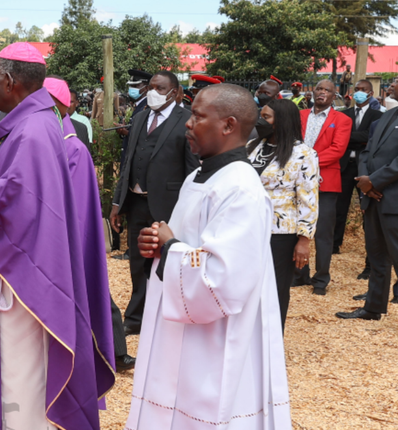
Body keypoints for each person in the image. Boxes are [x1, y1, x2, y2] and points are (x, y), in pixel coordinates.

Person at [0, 43, 115, 430]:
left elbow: (20, 215)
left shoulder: (31, 133)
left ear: (10, 80)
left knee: (20, 378)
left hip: (24, 285)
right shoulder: (36, 124)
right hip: (25, 275)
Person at [126, 83, 291, 430]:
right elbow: (185, 241)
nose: (188, 122)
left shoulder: (241, 189)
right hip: (180, 330)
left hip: (213, 340)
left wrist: (171, 248)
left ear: (228, 125)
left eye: (198, 116)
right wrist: (157, 245)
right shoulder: (198, 177)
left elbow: (221, 279)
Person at [44, 76, 133, 372]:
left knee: (92, 289)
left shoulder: (74, 142)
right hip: (49, 236)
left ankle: (114, 352)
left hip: (69, 232)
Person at [109, 70, 200, 337]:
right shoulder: (139, 118)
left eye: (159, 88)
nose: (152, 92)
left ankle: (168, 314)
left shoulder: (186, 121)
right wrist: (117, 202)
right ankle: (135, 317)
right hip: (137, 201)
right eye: (150, 87)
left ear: (173, 92)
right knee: (137, 261)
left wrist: (189, 208)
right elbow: (127, 163)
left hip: (169, 205)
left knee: (168, 261)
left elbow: (192, 169)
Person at [248, 99, 319, 330]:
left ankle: (271, 342)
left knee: (275, 288)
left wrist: (304, 239)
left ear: (282, 121)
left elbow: (308, 199)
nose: (261, 121)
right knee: (249, 286)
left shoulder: (303, 154)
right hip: (250, 227)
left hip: (281, 232)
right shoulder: (254, 146)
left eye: (266, 117)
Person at [335, 97, 398, 321]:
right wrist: (365, 183)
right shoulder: (388, 115)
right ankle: (373, 308)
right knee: (377, 257)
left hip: (393, 198)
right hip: (373, 196)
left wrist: (374, 181)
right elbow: (367, 151)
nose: (393, 85)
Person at [295, 79, 352, 295]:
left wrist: (308, 159)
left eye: (327, 90)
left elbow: (338, 150)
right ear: (313, 92)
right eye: (319, 88)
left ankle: (321, 279)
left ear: (333, 95)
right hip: (297, 181)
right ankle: (300, 275)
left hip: (325, 181)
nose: (322, 92)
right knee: (298, 229)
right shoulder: (300, 116)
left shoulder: (342, 119)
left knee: (323, 234)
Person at [334, 80, 383, 254]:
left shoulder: (377, 116)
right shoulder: (344, 113)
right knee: (340, 207)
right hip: (346, 166)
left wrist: (349, 137)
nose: (359, 92)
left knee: (366, 209)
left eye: (363, 90)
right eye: (357, 89)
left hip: (365, 169)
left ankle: (370, 248)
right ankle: (334, 245)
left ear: (371, 93)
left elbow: (371, 138)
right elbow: (339, 136)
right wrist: (359, 137)